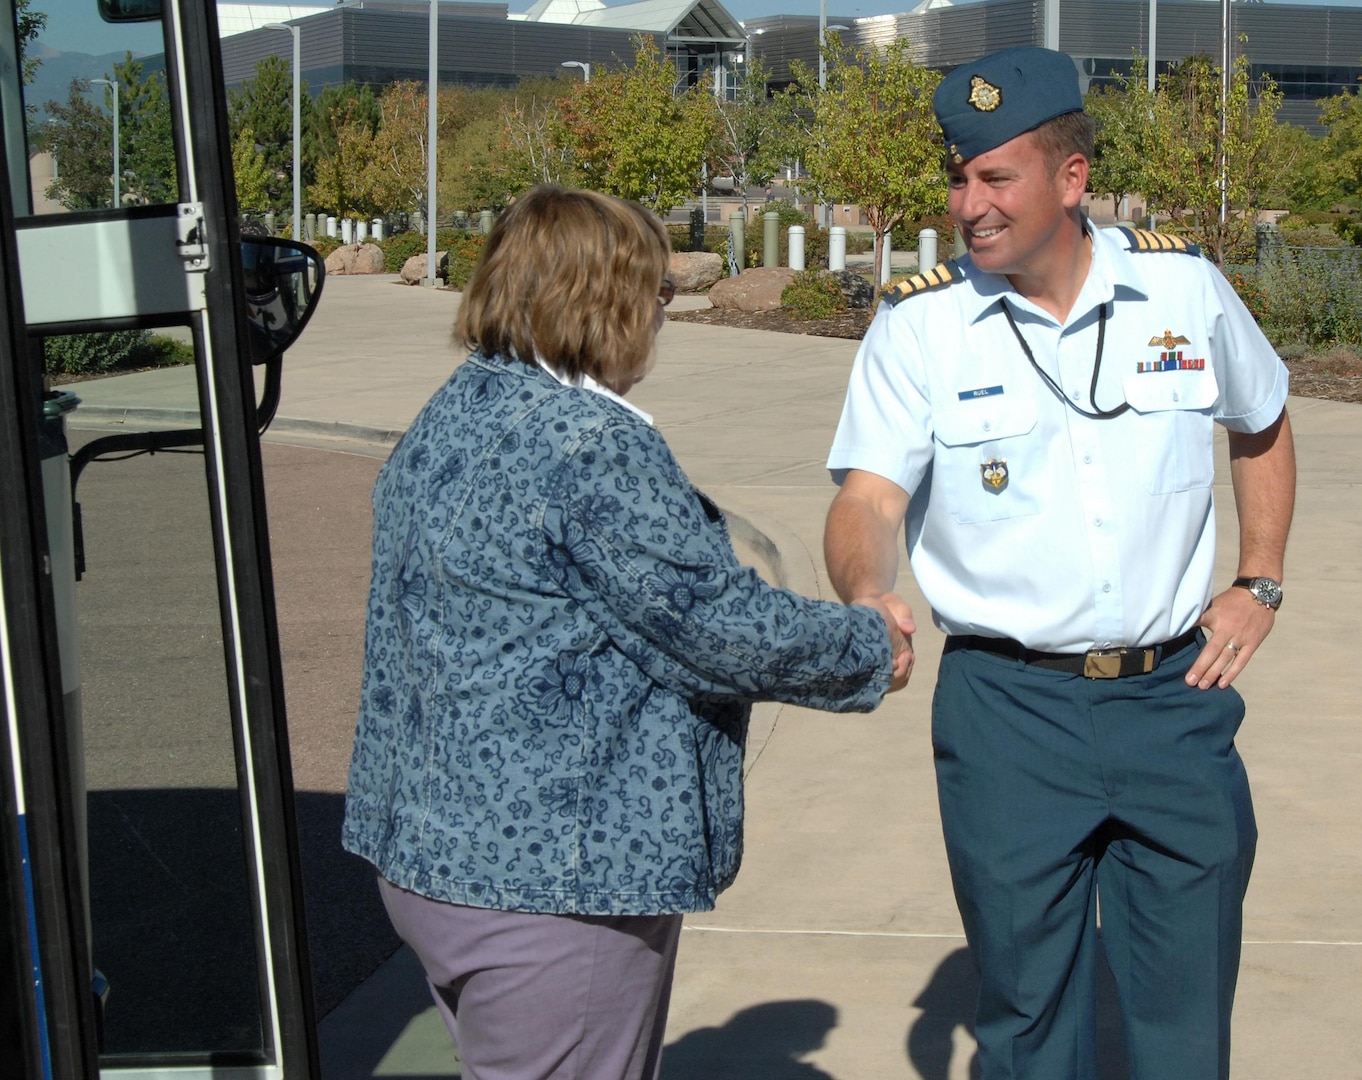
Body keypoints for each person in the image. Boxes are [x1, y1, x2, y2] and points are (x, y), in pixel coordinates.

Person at [343, 184, 910, 1080]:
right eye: (655, 293)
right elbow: (710, 624)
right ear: (600, 301)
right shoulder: (589, 445)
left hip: (435, 859)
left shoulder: (459, 407)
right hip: (554, 881)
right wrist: (870, 642)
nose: (662, 314)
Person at [823, 47, 1295, 1080]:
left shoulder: (1182, 287)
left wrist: (1258, 581)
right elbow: (866, 497)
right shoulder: (922, 325)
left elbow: (1261, 420)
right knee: (1029, 1023)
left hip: (1174, 700)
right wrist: (868, 591)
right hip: (1008, 714)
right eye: (959, 176)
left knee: (1184, 1026)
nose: (969, 204)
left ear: (1071, 178)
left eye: (996, 177)